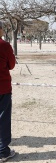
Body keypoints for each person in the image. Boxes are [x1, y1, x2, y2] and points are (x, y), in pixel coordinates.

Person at [0, 21, 16, 161]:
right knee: (3, 118)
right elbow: (11, 65)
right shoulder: (4, 45)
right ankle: (3, 151)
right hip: (2, 88)